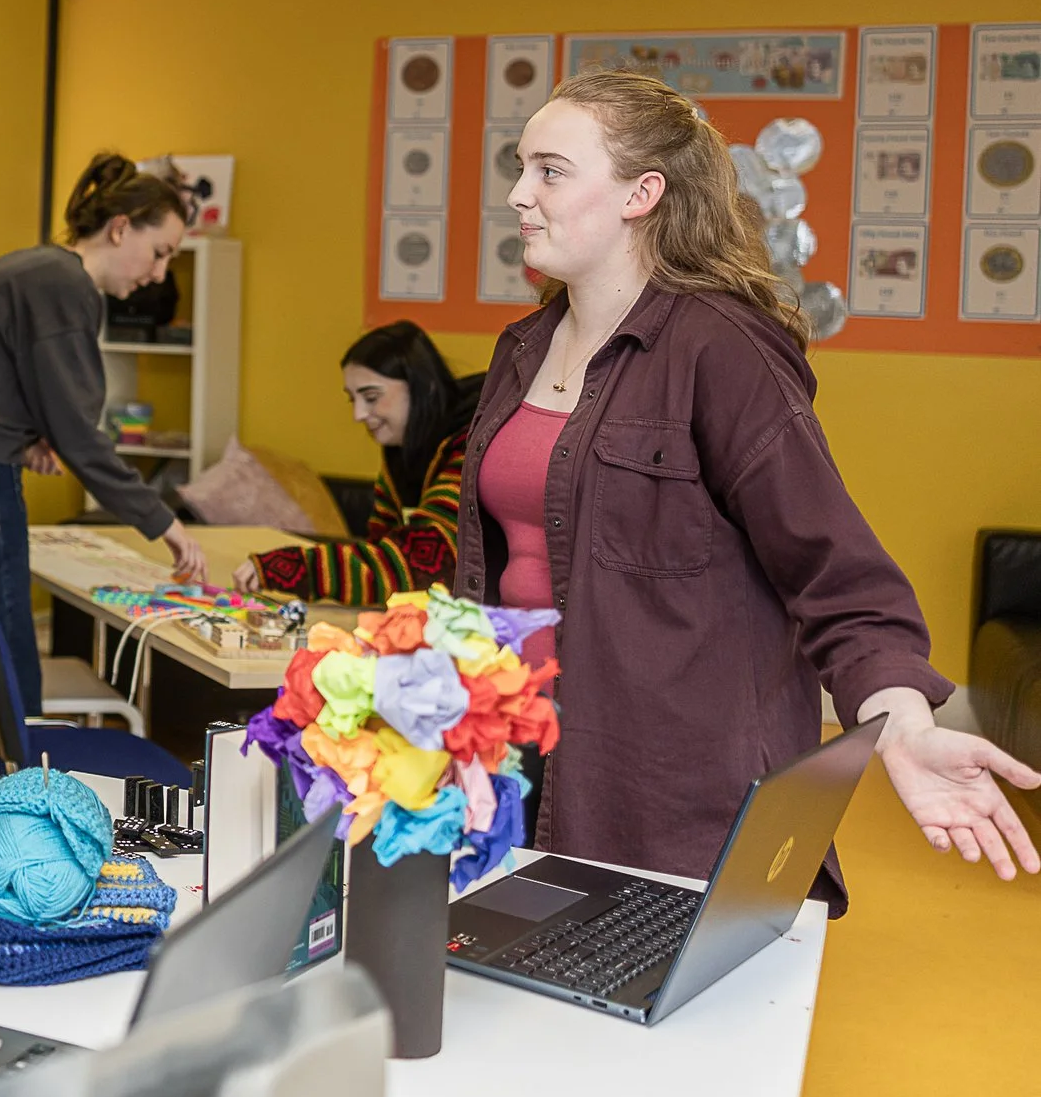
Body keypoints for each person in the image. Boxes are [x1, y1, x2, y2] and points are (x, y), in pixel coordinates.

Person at [459, 68, 1039, 905]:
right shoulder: (520, 348)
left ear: (641, 194)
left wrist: (904, 725)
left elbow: (835, 570)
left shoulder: (722, 348)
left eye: (550, 170)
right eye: (520, 167)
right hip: (509, 756)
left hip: (659, 784)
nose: (519, 194)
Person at [0, 152, 206, 834]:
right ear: (120, 228)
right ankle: (15, 844)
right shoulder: (67, 287)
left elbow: (10, 386)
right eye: (159, 252)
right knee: (8, 686)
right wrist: (166, 524)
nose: (159, 274)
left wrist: (26, 435)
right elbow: (83, 436)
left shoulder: (37, 269)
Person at [239, 322, 479, 606]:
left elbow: (416, 567)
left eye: (371, 397)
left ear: (423, 387)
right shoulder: (400, 451)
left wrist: (290, 567)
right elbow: (380, 547)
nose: (359, 414)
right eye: (352, 399)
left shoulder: (471, 451)